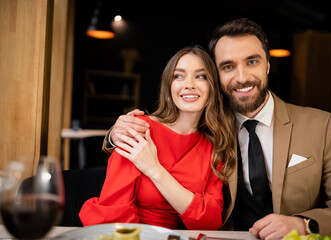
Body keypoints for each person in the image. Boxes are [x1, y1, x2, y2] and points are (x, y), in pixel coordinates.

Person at [102, 18, 331, 239]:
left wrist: (304, 225)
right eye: (228, 66)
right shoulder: (207, 129)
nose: (241, 77)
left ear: (268, 64)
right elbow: (166, 131)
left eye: (252, 62)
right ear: (216, 76)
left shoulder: (319, 126)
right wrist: (115, 134)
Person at [79, 45, 237, 230]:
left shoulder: (214, 146)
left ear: (213, 86)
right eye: (178, 76)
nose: (189, 84)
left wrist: (155, 170)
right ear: (169, 85)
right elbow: (113, 213)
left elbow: (210, 221)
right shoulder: (139, 128)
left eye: (200, 76)